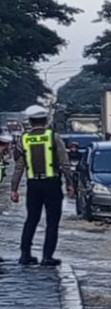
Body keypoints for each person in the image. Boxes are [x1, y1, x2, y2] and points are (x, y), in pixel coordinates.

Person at [9, 105, 73, 266]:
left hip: (33, 185)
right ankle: (47, 257)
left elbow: (18, 167)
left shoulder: (24, 139)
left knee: (31, 219)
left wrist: (14, 189)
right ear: (46, 120)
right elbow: (65, 163)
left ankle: (25, 255)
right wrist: (70, 184)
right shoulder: (53, 137)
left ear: (30, 122)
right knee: (52, 222)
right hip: (52, 184)